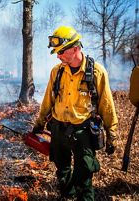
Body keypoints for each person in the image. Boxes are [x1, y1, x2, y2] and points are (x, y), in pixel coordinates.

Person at [32, 26, 118, 201]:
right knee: (62, 173)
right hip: (58, 130)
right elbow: (48, 100)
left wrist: (112, 135)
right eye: (56, 52)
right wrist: (39, 123)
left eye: (61, 51)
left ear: (76, 48)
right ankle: (67, 196)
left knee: (84, 178)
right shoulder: (57, 72)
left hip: (83, 133)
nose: (58, 55)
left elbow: (107, 106)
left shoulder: (97, 72)